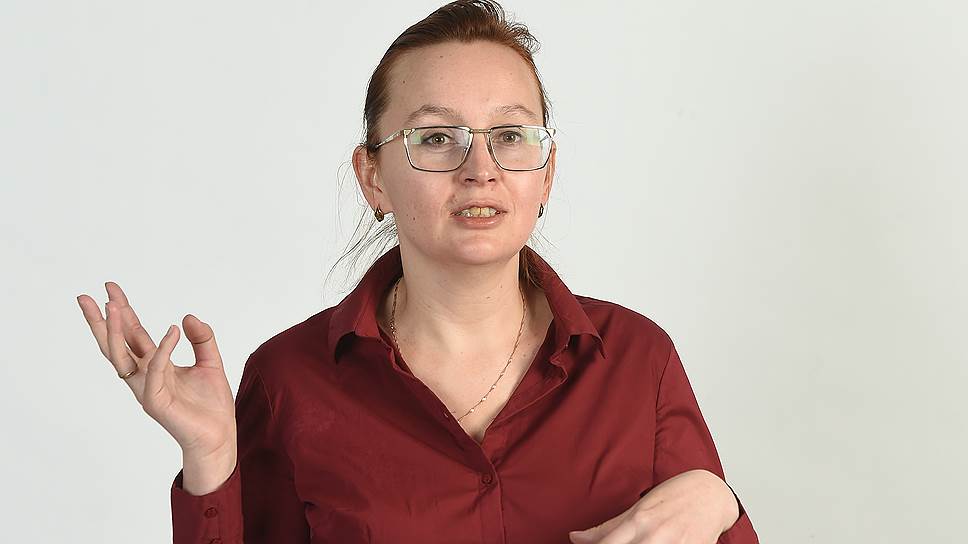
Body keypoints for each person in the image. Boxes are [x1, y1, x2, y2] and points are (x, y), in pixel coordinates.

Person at [76, 1, 759, 542]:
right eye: (435, 138)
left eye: (510, 135)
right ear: (372, 177)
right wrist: (210, 459)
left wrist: (717, 503)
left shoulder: (638, 361)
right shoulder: (289, 382)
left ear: (546, 172)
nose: (481, 168)